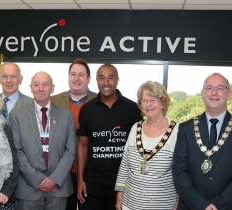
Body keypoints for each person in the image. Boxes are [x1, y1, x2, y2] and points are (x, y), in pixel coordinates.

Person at [172, 73, 232, 210]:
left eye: (220, 88)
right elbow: (179, 171)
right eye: (209, 88)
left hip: (229, 207)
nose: (214, 92)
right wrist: (200, 205)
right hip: (191, 206)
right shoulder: (186, 128)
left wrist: (218, 205)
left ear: (228, 94)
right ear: (203, 94)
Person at [76, 64, 142, 210]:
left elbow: (138, 148)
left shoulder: (133, 109)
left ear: (117, 80)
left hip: (123, 183)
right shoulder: (87, 109)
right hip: (92, 182)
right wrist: (80, 179)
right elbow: (82, 146)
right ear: (96, 81)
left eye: (111, 78)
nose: (106, 83)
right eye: (102, 78)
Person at [10, 71, 75, 210]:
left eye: (45, 85)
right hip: (29, 188)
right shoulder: (17, 116)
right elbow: (17, 151)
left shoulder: (66, 115)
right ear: (31, 87)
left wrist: (54, 179)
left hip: (58, 187)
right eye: (36, 84)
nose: (40, 89)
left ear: (53, 88)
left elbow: (70, 151)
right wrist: (38, 180)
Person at [115, 81, 178, 210]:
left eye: (153, 100)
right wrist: (119, 197)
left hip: (164, 206)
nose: (148, 105)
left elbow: (183, 172)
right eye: (144, 101)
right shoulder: (135, 128)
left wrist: (178, 202)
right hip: (130, 205)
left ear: (163, 102)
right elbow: (125, 165)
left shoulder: (178, 131)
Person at [51, 58, 97, 210]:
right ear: (68, 76)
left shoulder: (99, 101)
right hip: (62, 173)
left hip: (90, 173)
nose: (76, 79)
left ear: (88, 79)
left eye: (81, 75)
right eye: (73, 74)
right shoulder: (53, 101)